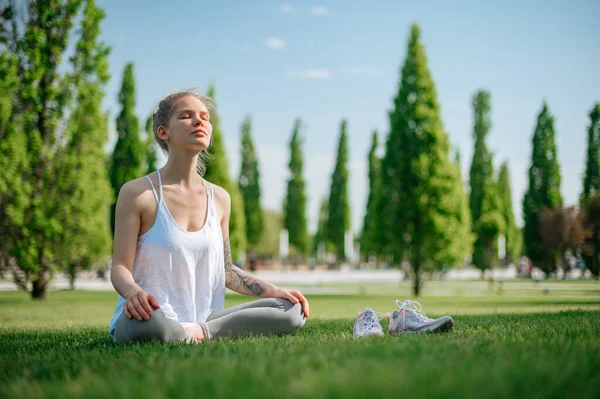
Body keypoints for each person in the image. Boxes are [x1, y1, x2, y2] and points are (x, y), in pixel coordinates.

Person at [108, 88, 308, 344]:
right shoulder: (138, 193)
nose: (199, 121)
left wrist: (275, 291)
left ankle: (198, 334)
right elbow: (119, 268)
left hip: (207, 318)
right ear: (163, 132)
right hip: (150, 316)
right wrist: (134, 293)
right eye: (186, 116)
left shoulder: (220, 199)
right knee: (143, 324)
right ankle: (190, 333)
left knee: (291, 310)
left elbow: (226, 270)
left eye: (204, 116)